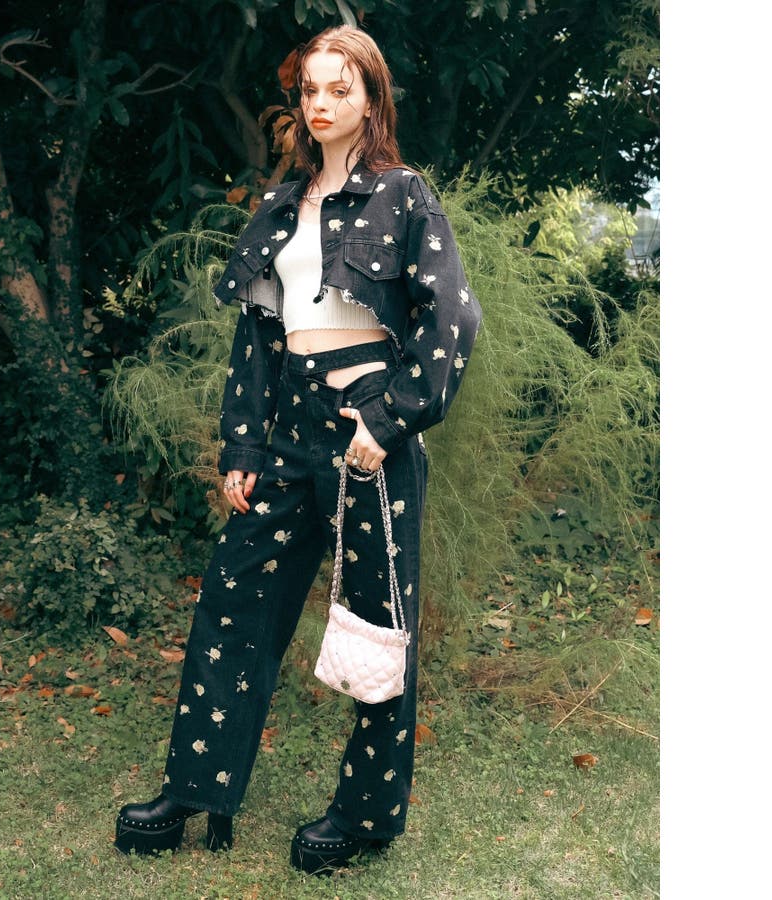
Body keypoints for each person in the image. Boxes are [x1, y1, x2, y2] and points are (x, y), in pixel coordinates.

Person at [115, 24, 482, 875]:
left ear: (371, 98)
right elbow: (257, 338)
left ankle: (364, 817)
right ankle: (195, 792)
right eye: (310, 89)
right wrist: (241, 444)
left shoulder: (402, 195)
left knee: (377, 625)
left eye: (339, 89)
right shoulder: (283, 206)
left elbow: (453, 318)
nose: (321, 103)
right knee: (232, 603)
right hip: (288, 434)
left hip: (368, 432)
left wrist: (388, 419)